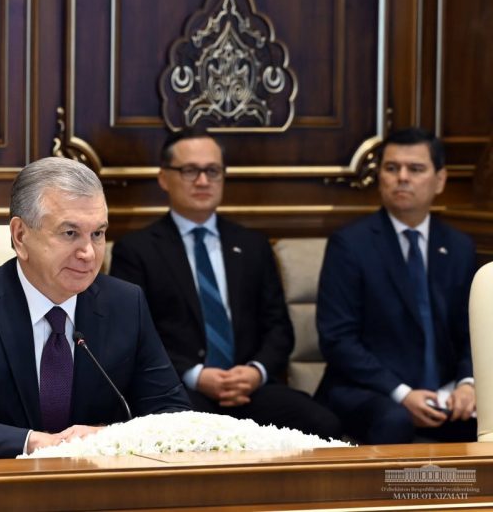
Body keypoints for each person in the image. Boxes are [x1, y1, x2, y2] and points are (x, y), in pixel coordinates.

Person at [0, 157, 190, 460]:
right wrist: (31, 443)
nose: (89, 253)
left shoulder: (126, 304)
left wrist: (107, 436)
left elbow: (176, 416)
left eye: (97, 234)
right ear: (20, 236)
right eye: (70, 233)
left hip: (96, 484)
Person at [109, 128, 341, 439]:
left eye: (213, 171)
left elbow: (279, 329)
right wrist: (196, 375)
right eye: (190, 170)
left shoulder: (253, 245)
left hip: (250, 389)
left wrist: (256, 371)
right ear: (164, 178)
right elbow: (133, 336)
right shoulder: (136, 250)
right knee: (184, 435)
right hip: (181, 389)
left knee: (323, 424)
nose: (203, 181)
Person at [316, 127, 477, 444]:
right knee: (394, 420)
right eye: (392, 168)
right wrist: (402, 393)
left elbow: (473, 331)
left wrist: (467, 383)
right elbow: (337, 339)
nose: (402, 177)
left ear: (440, 180)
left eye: (415, 169)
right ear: (380, 177)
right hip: (370, 389)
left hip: (443, 392)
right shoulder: (350, 244)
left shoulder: (459, 247)